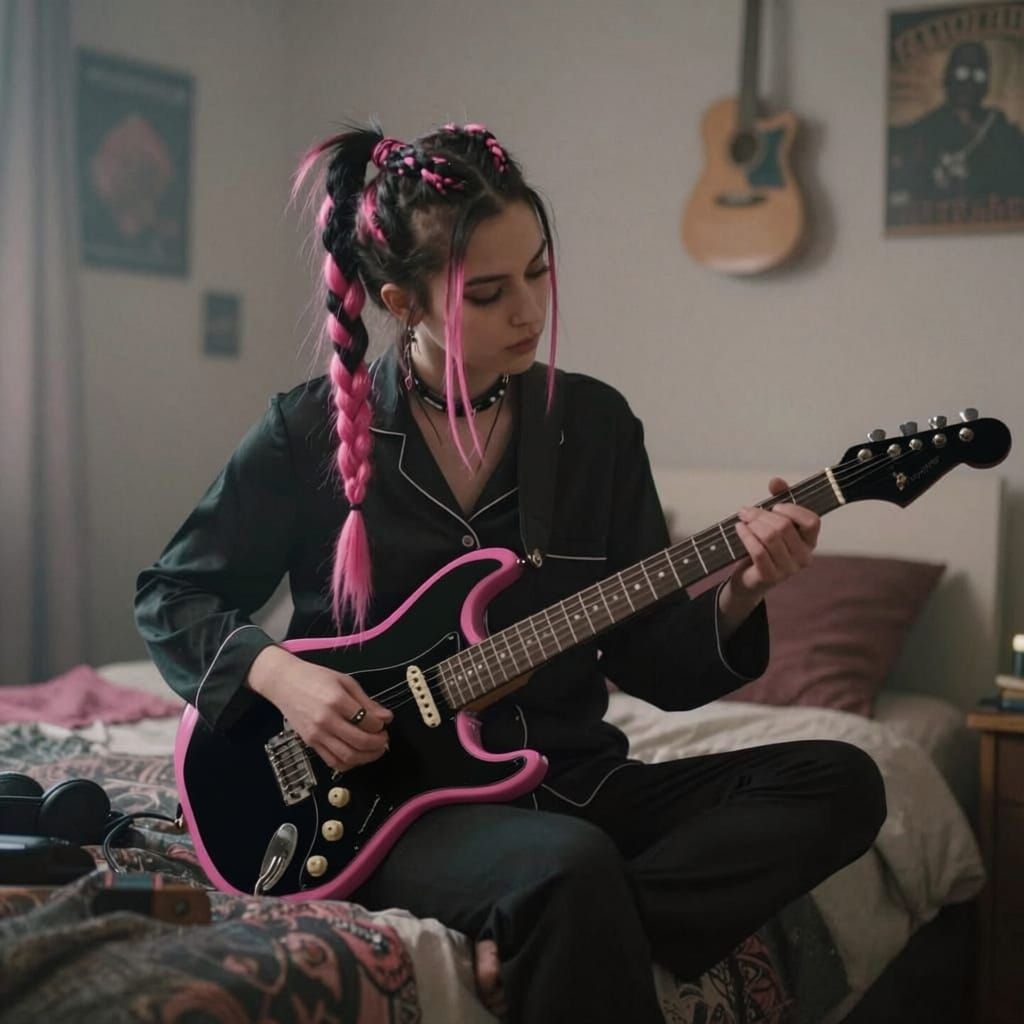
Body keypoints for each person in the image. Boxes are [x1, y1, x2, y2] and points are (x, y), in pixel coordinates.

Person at [135, 121, 886, 1023]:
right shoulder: (306, 434)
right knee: (569, 865)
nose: (530, 311)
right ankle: (561, 907)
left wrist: (743, 590)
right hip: (392, 808)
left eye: (539, 271)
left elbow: (653, 664)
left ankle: (574, 924)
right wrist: (286, 679)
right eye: (489, 293)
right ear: (400, 301)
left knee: (842, 781)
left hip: (575, 779)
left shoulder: (595, 429)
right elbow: (173, 595)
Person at [888, 40, 1024, 203]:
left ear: (986, 84)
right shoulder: (924, 131)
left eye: (978, 75)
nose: (969, 82)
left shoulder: (1001, 130)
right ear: (948, 78)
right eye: (961, 73)